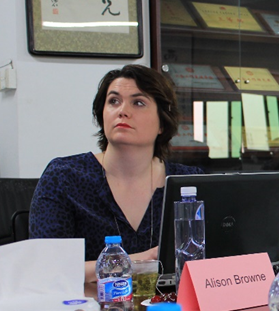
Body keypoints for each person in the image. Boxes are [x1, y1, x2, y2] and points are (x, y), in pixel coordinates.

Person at [30, 65, 203, 282]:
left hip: (170, 302)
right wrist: (138, 262)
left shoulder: (188, 183)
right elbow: (45, 268)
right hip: (90, 303)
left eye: (138, 103)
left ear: (162, 122)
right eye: (113, 101)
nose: (123, 111)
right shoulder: (64, 177)